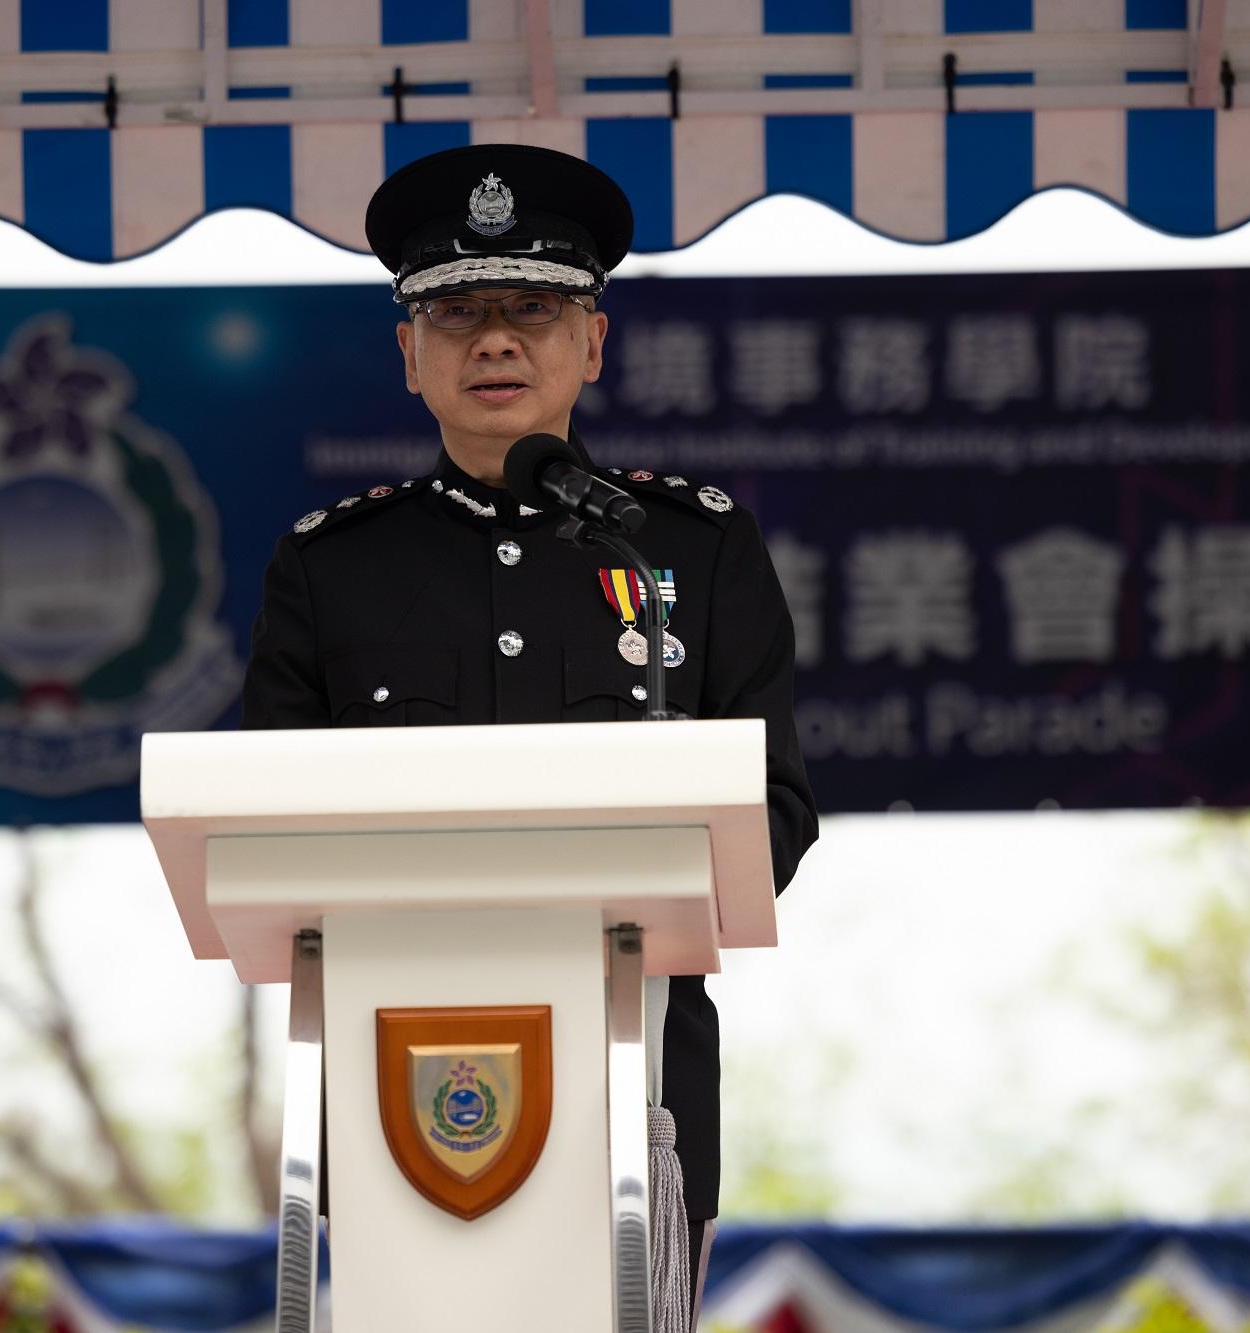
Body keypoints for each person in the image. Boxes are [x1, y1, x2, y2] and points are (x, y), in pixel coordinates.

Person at [240, 142, 818, 1322]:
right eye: (455, 312)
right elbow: (263, 830)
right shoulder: (328, 569)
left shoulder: (687, 552)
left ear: (592, 343)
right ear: (408, 354)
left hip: (635, 1078)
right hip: (391, 1082)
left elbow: (777, 814)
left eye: (532, 308)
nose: (493, 340)